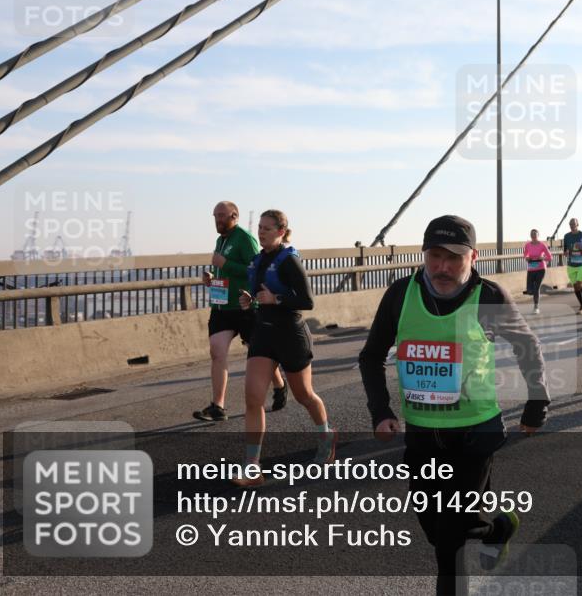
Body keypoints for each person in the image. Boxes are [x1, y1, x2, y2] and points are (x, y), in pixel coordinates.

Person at [358, 215, 550, 596]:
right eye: (434, 257)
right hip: (422, 433)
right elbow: (371, 357)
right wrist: (381, 411)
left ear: (473, 257)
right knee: (436, 526)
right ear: (424, 254)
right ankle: (497, 528)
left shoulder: (489, 295)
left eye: (454, 258)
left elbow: (527, 346)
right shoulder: (400, 294)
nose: (442, 267)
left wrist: (536, 403)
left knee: (449, 541)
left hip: (475, 430)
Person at [232, 210, 333, 487]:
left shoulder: (289, 260)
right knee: (253, 399)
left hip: (291, 334)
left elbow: (307, 300)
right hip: (263, 334)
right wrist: (250, 300)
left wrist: (274, 298)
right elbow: (260, 295)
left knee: (304, 395)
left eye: (267, 228)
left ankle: (326, 437)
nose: (261, 232)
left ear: (281, 231)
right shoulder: (257, 260)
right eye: (260, 228)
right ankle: (252, 467)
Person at [195, 201, 286, 422]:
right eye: (215, 215)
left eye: (222, 215)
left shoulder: (244, 238)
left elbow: (255, 270)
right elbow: (224, 269)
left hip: (245, 307)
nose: (217, 220)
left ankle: (280, 385)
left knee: (258, 353)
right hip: (221, 306)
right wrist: (212, 277)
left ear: (234, 215)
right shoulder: (221, 240)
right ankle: (218, 406)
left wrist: (225, 263)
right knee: (217, 352)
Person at [563, 218, 582, 314]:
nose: (572, 226)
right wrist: (566, 253)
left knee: (579, 284)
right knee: (575, 287)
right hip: (571, 265)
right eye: (571, 224)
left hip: (581, 264)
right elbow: (565, 250)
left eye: (574, 224)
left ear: (577, 224)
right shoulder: (566, 236)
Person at [523, 230, 552, 315]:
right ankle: (535, 296)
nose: (533, 236)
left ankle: (536, 307)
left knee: (536, 288)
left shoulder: (542, 245)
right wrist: (527, 257)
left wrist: (543, 258)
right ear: (530, 235)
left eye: (535, 234)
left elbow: (550, 257)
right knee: (529, 290)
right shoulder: (527, 245)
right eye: (532, 234)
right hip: (531, 269)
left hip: (541, 269)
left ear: (538, 235)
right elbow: (525, 254)